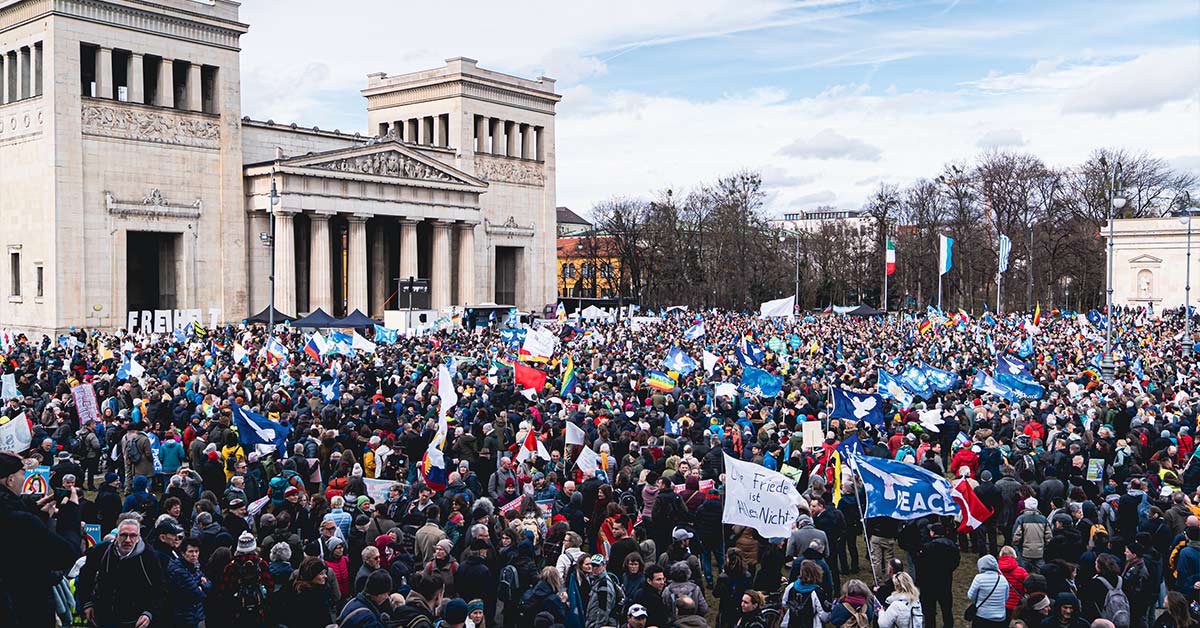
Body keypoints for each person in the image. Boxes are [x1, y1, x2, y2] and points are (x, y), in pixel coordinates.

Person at [0, 450, 82, 625]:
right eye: (23, 473)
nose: (25, 479)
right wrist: (71, 512)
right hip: (24, 607)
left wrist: (36, 510)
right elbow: (65, 554)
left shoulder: (16, 514)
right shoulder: (20, 520)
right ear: (10, 479)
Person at [77, 517, 166, 628]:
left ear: (138, 538)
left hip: (134, 619)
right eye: (124, 535)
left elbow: (159, 588)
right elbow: (85, 577)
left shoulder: (148, 556)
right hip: (102, 616)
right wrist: (87, 603)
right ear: (117, 536)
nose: (128, 540)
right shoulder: (102, 551)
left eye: (133, 536)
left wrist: (149, 613)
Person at [219, 530, 273, 627]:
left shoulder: (231, 566)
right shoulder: (262, 564)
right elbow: (270, 586)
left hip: (237, 610)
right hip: (258, 609)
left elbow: (224, 589)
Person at [271, 556, 334, 628]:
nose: (325, 576)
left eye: (325, 573)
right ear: (311, 575)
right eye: (321, 574)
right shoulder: (312, 596)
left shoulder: (292, 587)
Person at [166, 536, 211, 627]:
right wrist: (201, 585)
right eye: (190, 551)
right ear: (183, 553)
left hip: (196, 614)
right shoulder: (178, 570)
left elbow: (209, 584)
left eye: (196, 551)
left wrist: (202, 586)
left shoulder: (194, 565)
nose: (194, 554)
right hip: (185, 618)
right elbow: (197, 593)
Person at [782, 560, 831, 628]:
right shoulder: (817, 592)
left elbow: (785, 604)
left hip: (792, 623)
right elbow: (825, 616)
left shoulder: (791, 587)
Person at [965, 555, 1010, 628]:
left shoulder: (979, 578)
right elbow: (1006, 598)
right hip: (1000, 618)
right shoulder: (1003, 579)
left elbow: (970, 596)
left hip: (982, 616)